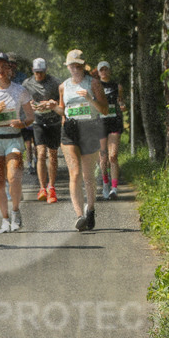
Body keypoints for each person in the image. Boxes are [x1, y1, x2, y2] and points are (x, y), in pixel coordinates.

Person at [0, 52, 35, 232]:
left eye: (5, 66)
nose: (1, 69)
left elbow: (31, 117)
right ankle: (4, 219)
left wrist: (23, 123)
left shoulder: (20, 90)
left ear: (10, 69)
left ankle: (15, 211)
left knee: (14, 178)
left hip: (13, 138)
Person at [58, 49, 108, 231]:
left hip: (90, 129)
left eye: (78, 65)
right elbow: (62, 110)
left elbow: (104, 110)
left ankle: (91, 209)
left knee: (88, 176)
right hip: (70, 131)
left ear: (82, 66)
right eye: (72, 65)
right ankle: (80, 215)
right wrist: (51, 107)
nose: (75, 68)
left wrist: (90, 98)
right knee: (75, 173)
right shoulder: (63, 86)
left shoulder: (93, 83)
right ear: (68, 67)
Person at [22, 57, 61, 203]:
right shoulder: (27, 83)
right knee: (41, 153)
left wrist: (53, 103)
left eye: (42, 72)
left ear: (46, 70)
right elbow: (23, 100)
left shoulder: (55, 82)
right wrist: (30, 105)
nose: (39, 75)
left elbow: (62, 100)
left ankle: (52, 187)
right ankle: (42, 188)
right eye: (37, 72)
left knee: (53, 154)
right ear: (33, 71)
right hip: (38, 121)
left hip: (54, 121)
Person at [96, 61, 126, 200]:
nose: (104, 72)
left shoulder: (117, 86)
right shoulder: (95, 86)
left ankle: (114, 188)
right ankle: (105, 183)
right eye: (101, 70)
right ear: (98, 72)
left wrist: (122, 105)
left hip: (114, 122)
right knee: (103, 158)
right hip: (100, 123)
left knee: (112, 156)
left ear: (109, 71)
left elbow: (120, 101)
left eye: (106, 69)